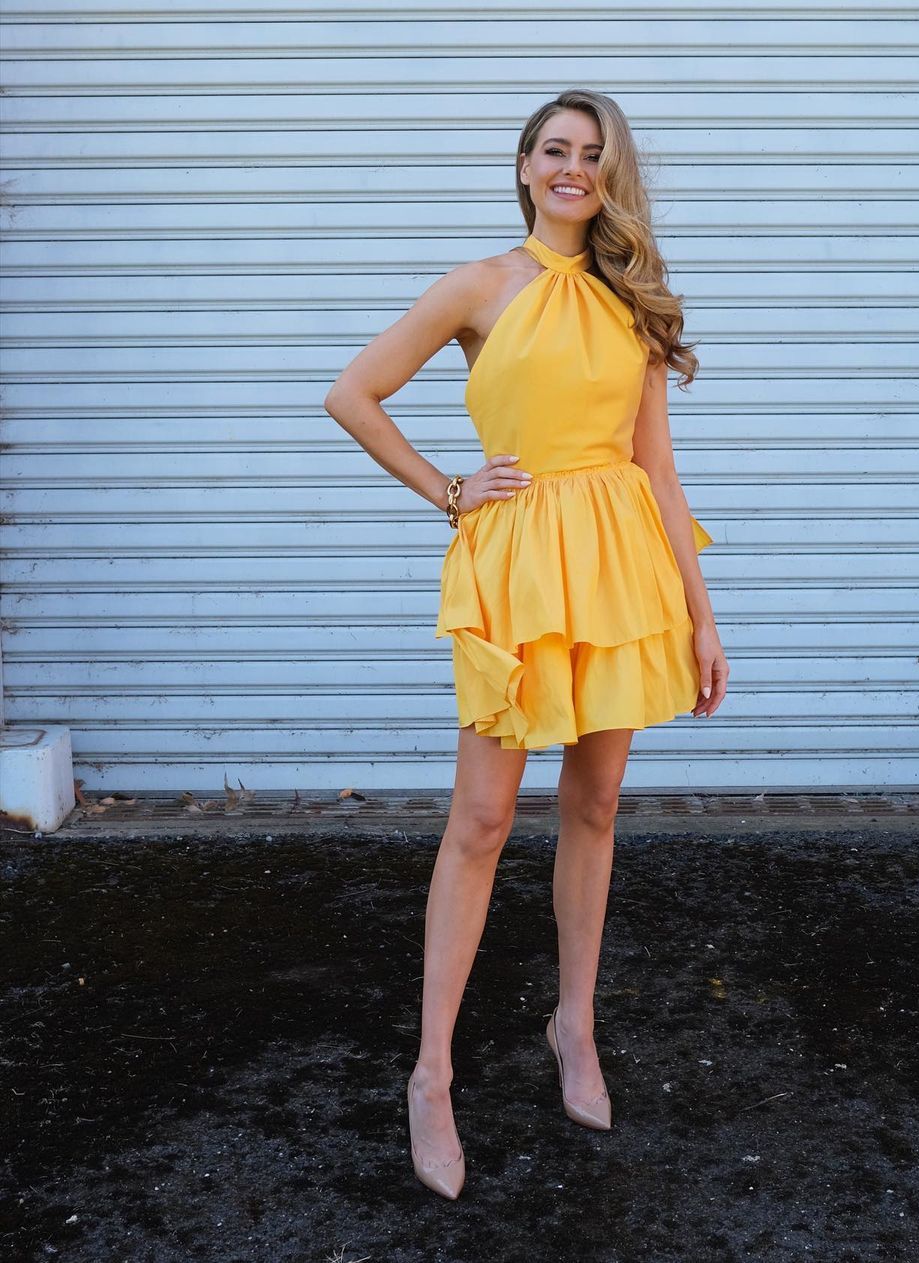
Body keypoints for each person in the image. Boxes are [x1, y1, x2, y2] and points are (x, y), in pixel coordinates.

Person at [323, 87, 730, 1200]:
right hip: (514, 566)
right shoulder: (479, 285)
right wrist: (449, 490)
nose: (573, 168)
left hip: (619, 567)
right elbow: (353, 394)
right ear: (522, 166)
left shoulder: (631, 302)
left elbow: (657, 470)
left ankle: (574, 1026)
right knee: (483, 819)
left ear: (609, 175)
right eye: (555, 149)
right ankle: (432, 1074)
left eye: (593, 154)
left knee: (595, 805)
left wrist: (701, 613)